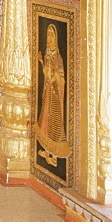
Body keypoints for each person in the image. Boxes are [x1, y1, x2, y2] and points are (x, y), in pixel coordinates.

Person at [35, 23, 70, 166]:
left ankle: (54, 156)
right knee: (46, 121)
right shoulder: (49, 54)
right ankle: (49, 152)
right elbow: (47, 73)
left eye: (52, 35)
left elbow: (58, 78)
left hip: (55, 94)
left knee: (54, 122)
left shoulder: (57, 57)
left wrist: (52, 75)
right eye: (48, 34)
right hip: (48, 92)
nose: (49, 38)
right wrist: (42, 61)